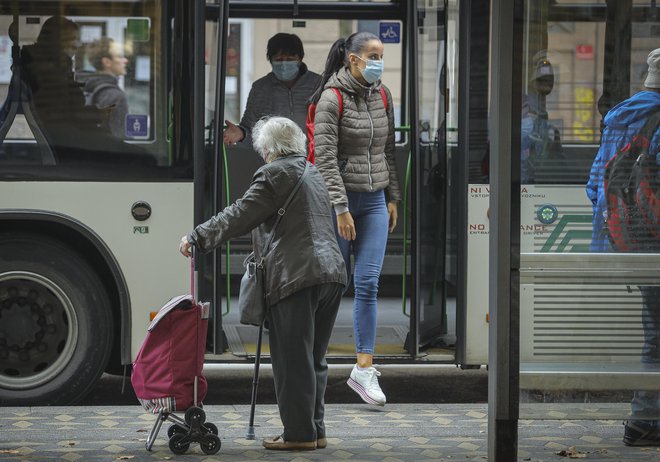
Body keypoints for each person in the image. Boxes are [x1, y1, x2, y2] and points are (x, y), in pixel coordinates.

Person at [179, 116, 347, 450]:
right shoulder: (311, 171)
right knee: (314, 358)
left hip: (297, 276)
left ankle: (299, 436)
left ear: (268, 149)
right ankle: (315, 430)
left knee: (292, 361)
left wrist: (197, 236)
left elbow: (240, 214)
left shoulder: (273, 175)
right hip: (331, 274)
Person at [309, 31, 401, 406]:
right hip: (340, 206)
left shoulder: (382, 95)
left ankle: (363, 369)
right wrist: (341, 207)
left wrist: (393, 196)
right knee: (332, 285)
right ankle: (312, 360)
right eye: (373, 55)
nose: (379, 61)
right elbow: (325, 159)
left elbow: (388, 151)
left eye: (382, 54)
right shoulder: (331, 98)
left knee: (368, 283)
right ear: (353, 59)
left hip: (376, 201)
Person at [585, 48, 660, 447]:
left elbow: (595, 186)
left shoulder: (620, 116)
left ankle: (645, 419)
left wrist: (624, 228)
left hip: (631, 244)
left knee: (655, 332)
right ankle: (644, 420)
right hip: (657, 244)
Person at [223, 33, 320, 148]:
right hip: (275, 162)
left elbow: (333, 126)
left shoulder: (318, 85)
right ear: (270, 60)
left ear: (300, 59)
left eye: (290, 59)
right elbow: (250, 130)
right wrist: (241, 134)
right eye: (278, 60)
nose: (284, 64)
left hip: (314, 162)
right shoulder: (260, 88)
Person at [84, 37, 129, 139]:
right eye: (120, 56)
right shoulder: (116, 96)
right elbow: (118, 139)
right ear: (107, 62)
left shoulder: (88, 87)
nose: (125, 60)